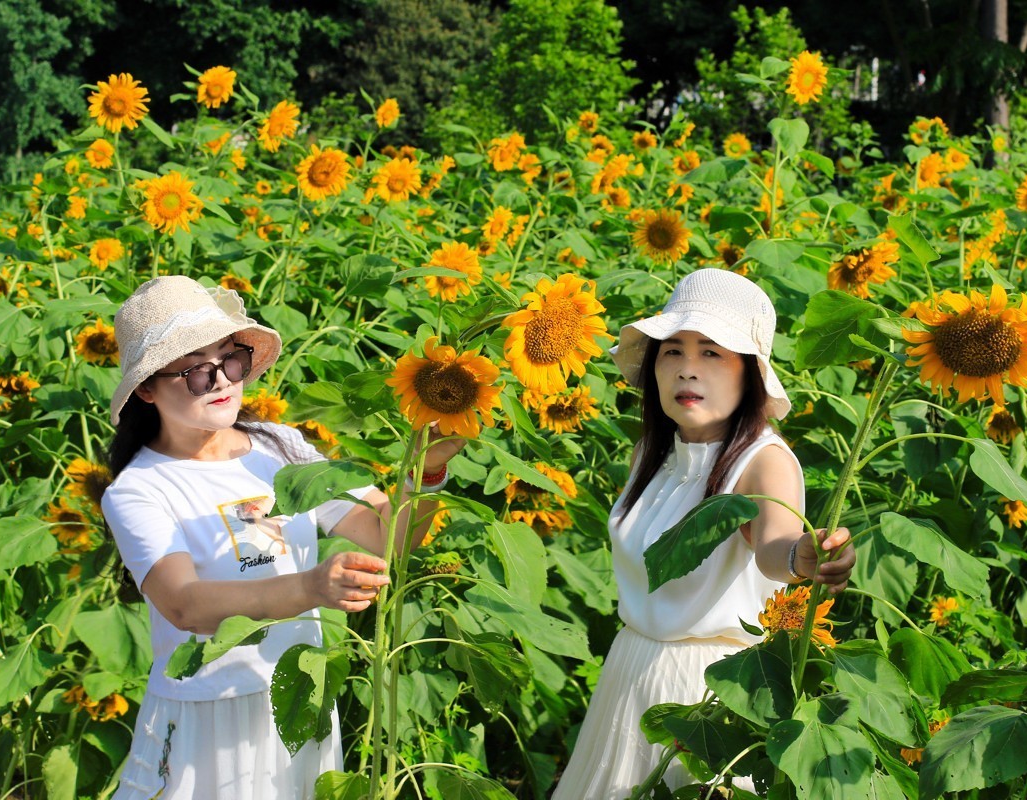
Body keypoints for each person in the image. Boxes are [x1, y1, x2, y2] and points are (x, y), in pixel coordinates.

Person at [100, 276, 461, 799]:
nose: (222, 380)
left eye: (230, 359)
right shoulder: (140, 489)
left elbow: (386, 536)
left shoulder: (279, 446)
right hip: (209, 711)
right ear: (147, 389)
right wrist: (312, 588)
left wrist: (424, 475)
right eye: (197, 370)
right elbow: (185, 605)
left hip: (297, 696)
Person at [550, 268, 856, 798]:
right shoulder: (654, 452)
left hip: (708, 691)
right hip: (629, 671)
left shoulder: (762, 461)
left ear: (749, 372)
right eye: (673, 351)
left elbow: (774, 547)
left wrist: (806, 558)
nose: (687, 370)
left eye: (712, 352)